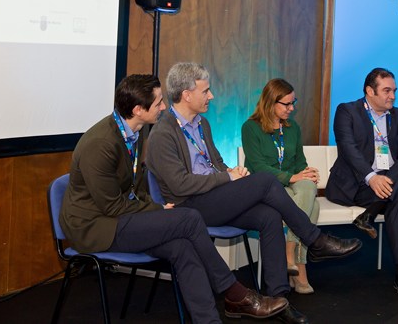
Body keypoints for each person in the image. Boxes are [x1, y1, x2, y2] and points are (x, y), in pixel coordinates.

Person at [60, 74, 287, 324]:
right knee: (189, 218)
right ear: (138, 110)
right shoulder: (101, 144)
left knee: (181, 247)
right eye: (158, 103)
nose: (163, 107)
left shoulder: (134, 131)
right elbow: (111, 205)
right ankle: (234, 293)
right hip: (96, 227)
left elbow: (136, 186)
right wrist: (157, 210)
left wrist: (156, 208)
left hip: (121, 217)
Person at [146, 63, 362, 324]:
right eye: (205, 91)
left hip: (215, 197)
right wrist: (227, 177)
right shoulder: (163, 133)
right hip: (188, 207)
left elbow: (215, 162)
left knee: (269, 216)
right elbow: (180, 186)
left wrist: (231, 170)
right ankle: (314, 240)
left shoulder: (201, 124)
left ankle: (279, 298)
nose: (211, 96)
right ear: (186, 94)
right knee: (265, 181)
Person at [325, 67, 398, 298]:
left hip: (388, 183)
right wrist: (371, 177)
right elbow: (348, 150)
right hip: (358, 184)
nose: (392, 96)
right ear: (369, 91)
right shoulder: (347, 111)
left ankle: (369, 217)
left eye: (394, 91)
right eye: (387, 91)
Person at [242, 78, 319, 295]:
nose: (291, 108)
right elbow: (258, 167)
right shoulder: (251, 127)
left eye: (293, 103)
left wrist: (307, 173)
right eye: (287, 104)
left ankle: (289, 251)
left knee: (308, 187)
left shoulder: (292, 128)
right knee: (313, 207)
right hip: (266, 188)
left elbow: (299, 162)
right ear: (271, 102)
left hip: (291, 184)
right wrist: (292, 177)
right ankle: (300, 272)